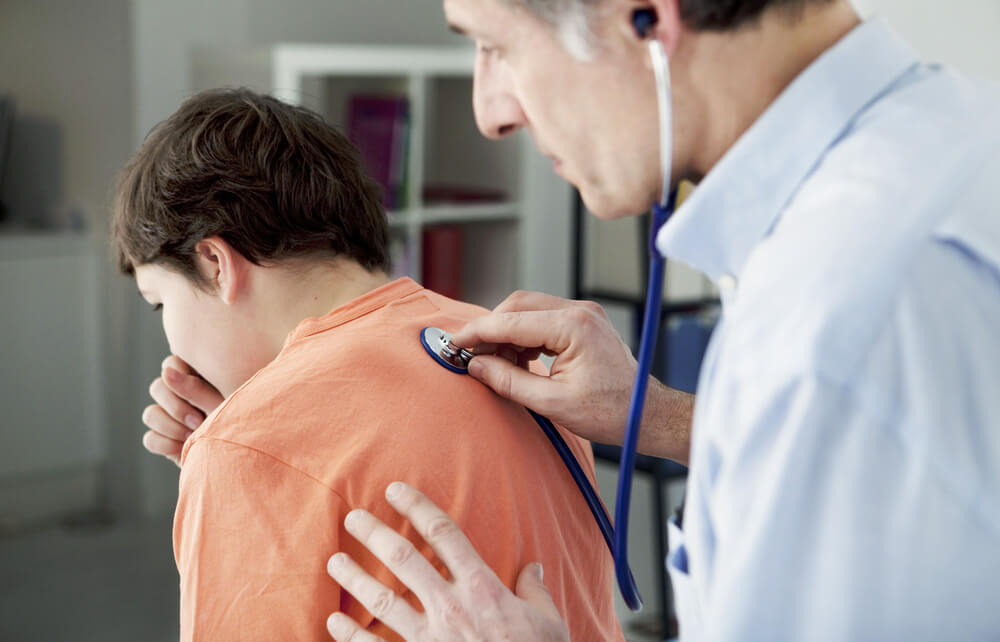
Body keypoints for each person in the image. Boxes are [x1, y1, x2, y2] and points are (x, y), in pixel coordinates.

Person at [318, 0, 1000, 639]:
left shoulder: (841, 313)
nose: (489, 113)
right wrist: (664, 418)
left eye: (497, 46)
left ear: (643, 18)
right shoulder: (948, 139)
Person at [114, 88, 624, 642]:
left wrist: (239, 459)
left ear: (214, 264)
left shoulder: (246, 447)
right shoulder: (531, 364)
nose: (173, 347)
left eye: (160, 303)